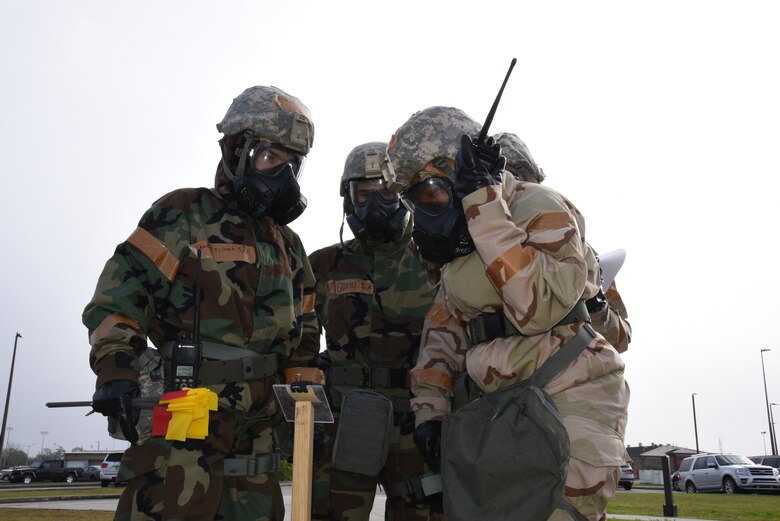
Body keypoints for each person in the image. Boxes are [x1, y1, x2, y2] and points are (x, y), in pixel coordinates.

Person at [82, 85, 321, 521]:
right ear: (236, 152)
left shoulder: (288, 243)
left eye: (292, 165)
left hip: (260, 429)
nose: (281, 176)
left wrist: (306, 406)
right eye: (269, 158)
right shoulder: (184, 212)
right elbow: (121, 292)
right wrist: (115, 366)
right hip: (187, 409)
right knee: (173, 503)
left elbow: (305, 327)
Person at [384, 106, 630, 521]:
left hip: (568, 396)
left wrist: (483, 204)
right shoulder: (459, 246)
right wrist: (431, 410)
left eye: (430, 193)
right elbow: (444, 329)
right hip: (496, 407)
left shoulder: (539, 206)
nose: (425, 210)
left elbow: (539, 307)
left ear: (456, 172)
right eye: (415, 200)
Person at [305, 142, 442, 521]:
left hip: (419, 422)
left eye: (387, 192)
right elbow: (295, 342)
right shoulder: (323, 265)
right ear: (349, 202)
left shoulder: (437, 265)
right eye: (364, 194)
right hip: (344, 419)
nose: (377, 204)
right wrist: (304, 419)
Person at [493, 131, 632, 353]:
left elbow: (620, 340)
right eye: (502, 177)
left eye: (519, 176)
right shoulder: (473, 244)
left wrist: (595, 305)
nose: (513, 186)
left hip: (567, 374)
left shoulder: (579, 249)